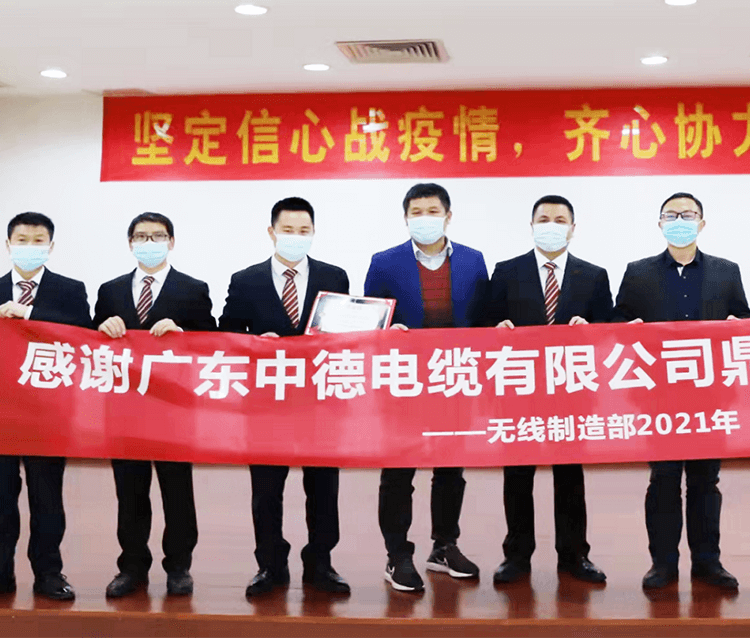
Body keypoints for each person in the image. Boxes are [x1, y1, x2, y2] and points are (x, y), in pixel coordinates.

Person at [612, 192, 750, 591]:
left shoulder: (726, 271)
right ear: (659, 224)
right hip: (659, 398)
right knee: (664, 480)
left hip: (710, 397)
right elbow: (617, 322)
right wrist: (626, 328)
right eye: (670, 215)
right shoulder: (638, 272)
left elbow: (744, 319)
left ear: (702, 223)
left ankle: (708, 562)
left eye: (687, 215)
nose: (679, 221)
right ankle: (663, 563)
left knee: (705, 482)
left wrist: (737, 325)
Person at [0, 212, 91, 605]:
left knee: (47, 496)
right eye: (22, 240)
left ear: (51, 245)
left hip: (48, 413)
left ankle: (49, 573)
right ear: (8, 244)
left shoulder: (70, 290)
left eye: (38, 240)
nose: (30, 247)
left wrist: (28, 314)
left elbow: (81, 334)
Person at [219, 197, 352, 596]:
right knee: (266, 490)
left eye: (304, 230)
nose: (296, 237)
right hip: (266, 402)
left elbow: (347, 331)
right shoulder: (246, 280)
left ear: (314, 232)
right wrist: (255, 343)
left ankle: (320, 562)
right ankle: (270, 564)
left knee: (324, 487)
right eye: (288, 230)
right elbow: (226, 333)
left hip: (320, 400)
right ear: (272, 232)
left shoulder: (334, 276)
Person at [364, 182, 489, 593]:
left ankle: (444, 546)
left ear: (448, 216)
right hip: (403, 384)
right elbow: (371, 321)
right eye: (416, 212)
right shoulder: (384, 263)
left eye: (432, 211)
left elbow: (484, 318)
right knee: (398, 472)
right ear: (405, 218)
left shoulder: (473, 260)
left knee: (450, 470)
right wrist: (386, 331)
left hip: (455, 381)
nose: (424, 218)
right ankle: (397, 554)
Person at [485, 195, 612, 585]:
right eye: (544, 219)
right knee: (517, 475)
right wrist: (497, 329)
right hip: (520, 389)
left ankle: (574, 555)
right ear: (531, 226)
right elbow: (483, 324)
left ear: (573, 229)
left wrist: (591, 330)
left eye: (560, 220)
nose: (551, 226)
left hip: (571, 391)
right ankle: (516, 556)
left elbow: (610, 329)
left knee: (570, 476)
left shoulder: (594, 275)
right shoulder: (506, 271)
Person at [93, 212, 216, 598]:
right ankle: (131, 566)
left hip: (174, 410)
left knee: (177, 491)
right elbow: (89, 339)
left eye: (158, 236)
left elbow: (213, 340)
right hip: (124, 407)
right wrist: (101, 328)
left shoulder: (192, 289)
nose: (150, 243)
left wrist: (183, 333)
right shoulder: (110, 290)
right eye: (141, 237)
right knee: (129, 492)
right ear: (130, 243)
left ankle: (179, 566)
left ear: (171, 242)